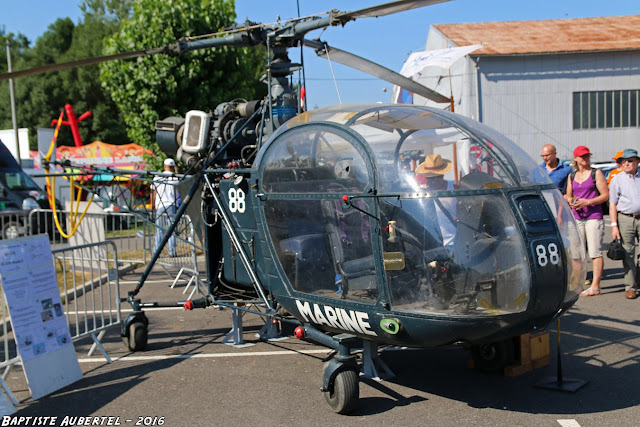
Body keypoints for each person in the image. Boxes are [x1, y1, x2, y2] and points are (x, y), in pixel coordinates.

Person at [566, 145, 609, 296]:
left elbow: (605, 195)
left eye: (587, 156)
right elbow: (567, 194)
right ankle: (578, 283)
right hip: (577, 216)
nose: (585, 159)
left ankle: (595, 286)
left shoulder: (595, 173)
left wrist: (588, 202)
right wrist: (570, 200)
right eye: (582, 156)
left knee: (595, 251)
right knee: (577, 253)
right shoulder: (572, 175)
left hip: (593, 217)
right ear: (576, 158)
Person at [609, 148, 640, 299]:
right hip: (625, 218)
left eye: (630, 161)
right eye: (624, 161)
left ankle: (638, 279)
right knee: (628, 253)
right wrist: (614, 225)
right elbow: (612, 203)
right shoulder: (617, 180)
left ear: (637, 162)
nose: (627, 164)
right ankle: (630, 286)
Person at [415, 154, 456, 249]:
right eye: (427, 178)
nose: (428, 181)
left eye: (431, 178)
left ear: (440, 176)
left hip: (454, 243)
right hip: (433, 244)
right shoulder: (421, 193)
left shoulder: (455, 190)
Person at [151, 158, 180, 257]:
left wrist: (153, 204)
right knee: (171, 230)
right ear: (172, 167)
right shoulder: (175, 178)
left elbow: (153, 192)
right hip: (171, 205)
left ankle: (156, 251)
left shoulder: (157, 177)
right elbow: (177, 194)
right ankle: (172, 251)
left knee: (159, 229)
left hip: (160, 205)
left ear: (164, 166)